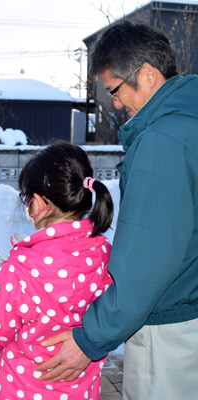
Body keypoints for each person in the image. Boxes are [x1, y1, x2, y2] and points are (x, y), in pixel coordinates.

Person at [36, 21, 198, 400]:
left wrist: (90, 338)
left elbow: (147, 262)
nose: (118, 104)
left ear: (146, 74)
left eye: (116, 90)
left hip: (170, 329)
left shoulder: (162, 142)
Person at [0, 141, 114, 400]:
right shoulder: (102, 250)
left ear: (39, 202)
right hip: (80, 391)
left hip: (22, 391)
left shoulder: (25, 267)